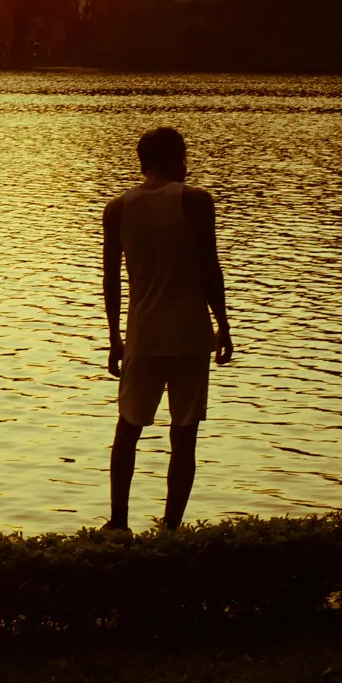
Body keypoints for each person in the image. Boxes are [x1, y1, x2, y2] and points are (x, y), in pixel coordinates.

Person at [102, 127, 234, 531]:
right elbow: (210, 268)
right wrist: (223, 324)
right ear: (176, 158)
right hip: (190, 333)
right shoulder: (195, 201)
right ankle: (171, 529)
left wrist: (114, 339)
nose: (187, 163)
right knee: (184, 434)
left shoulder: (118, 208)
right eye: (185, 155)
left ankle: (119, 523)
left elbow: (111, 279)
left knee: (128, 428)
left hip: (142, 334)